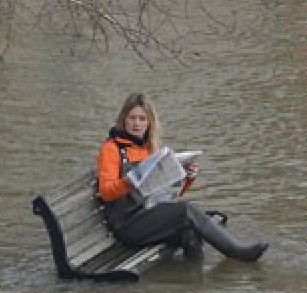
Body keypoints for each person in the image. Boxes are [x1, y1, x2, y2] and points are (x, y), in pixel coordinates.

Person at [97, 93, 268, 262]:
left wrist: (186, 178)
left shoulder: (150, 149)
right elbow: (106, 192)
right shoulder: (111, 148)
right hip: (128, 225)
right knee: (186, 210)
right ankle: (234, 251)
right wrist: (130, 181)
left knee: (189, 231)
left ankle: (194, 285)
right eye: (132, 118)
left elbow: (167, 193)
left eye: (142, 119)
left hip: (150, 214)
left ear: (149, 123)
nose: (136, 123)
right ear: (123, 119)